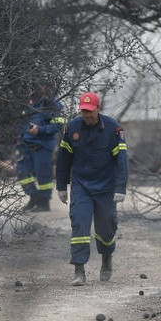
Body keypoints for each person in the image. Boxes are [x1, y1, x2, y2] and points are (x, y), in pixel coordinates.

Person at [56, 91, 128, 286]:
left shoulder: (113, 128)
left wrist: (120, 188)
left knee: (106, 227)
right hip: (82, 186)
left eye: (90, 111)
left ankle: (106, 258)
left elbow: (121, 160)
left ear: (98, 108)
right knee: (79, 225)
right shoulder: (72, 128)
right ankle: (79, 270)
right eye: (83, 111)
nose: (86, 115)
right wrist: (61, 186)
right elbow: (63, 159)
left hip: (106, 187)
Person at [15, 85, 65, 211]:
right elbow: (20, 121)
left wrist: (40, 130)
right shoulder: (27, 101)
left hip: (43, 144)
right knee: (22, 170)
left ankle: (44, 202)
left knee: (43, 174)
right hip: (25, 143)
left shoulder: (53, 103)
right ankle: (34, 196)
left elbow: (58, 125)